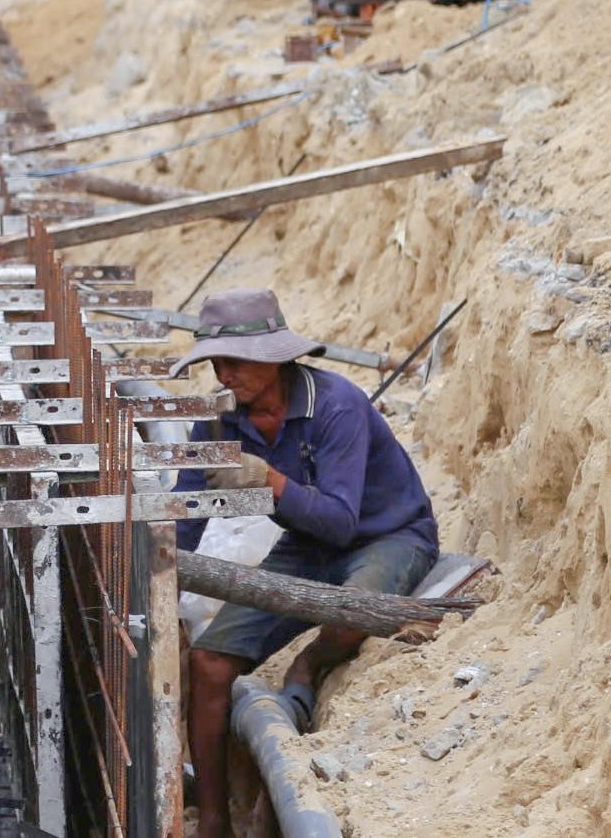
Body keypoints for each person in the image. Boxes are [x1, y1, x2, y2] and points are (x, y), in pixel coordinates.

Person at [171, 287, 438, 838]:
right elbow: (185, 519)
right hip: (305, 547)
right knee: (208, 665)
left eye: (236, 362)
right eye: (216, 363)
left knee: (356, 610)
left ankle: (311, 665)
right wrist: (151, 586)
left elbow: (341, 521)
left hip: (386, 536)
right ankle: (216, 819)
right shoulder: (218, 424)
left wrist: (267, 480)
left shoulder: (336, 405)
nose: (224, 376)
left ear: (274, 358)